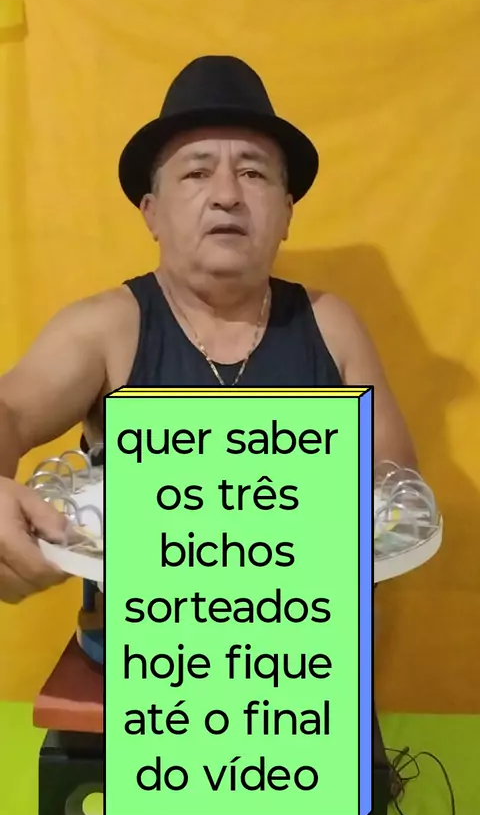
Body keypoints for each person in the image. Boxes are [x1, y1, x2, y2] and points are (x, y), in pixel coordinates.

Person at [0, 55, 417, 605]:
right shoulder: (108, 328)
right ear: (152, 212)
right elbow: (10, 410)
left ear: (286, 213)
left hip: (301, 644)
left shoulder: (331, 325)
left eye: (253, 173)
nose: (227, 195)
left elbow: (396, 489)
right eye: (197, 173)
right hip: (134, 652)